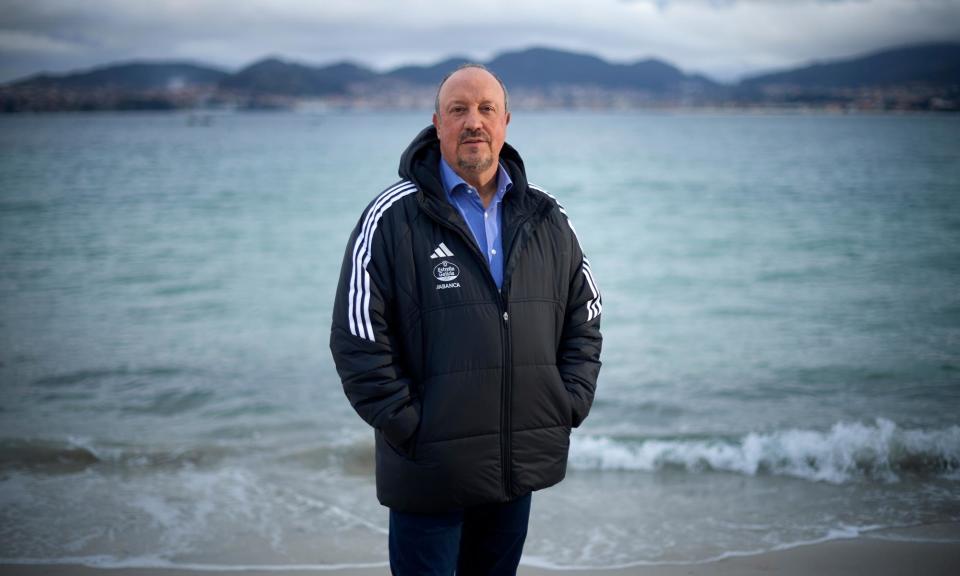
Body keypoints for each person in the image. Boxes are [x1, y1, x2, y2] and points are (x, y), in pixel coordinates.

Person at [329, 64, 602, 575]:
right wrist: (411, 427)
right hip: (430, 474)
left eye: (486, 109)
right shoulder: (390, 218)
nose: (473, 121)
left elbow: (585, 316)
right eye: (458, 110)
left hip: (515, 468)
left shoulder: (547, 216)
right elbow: (357, 338)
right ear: (437, 123)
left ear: (506, 121)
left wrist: (564, 403)